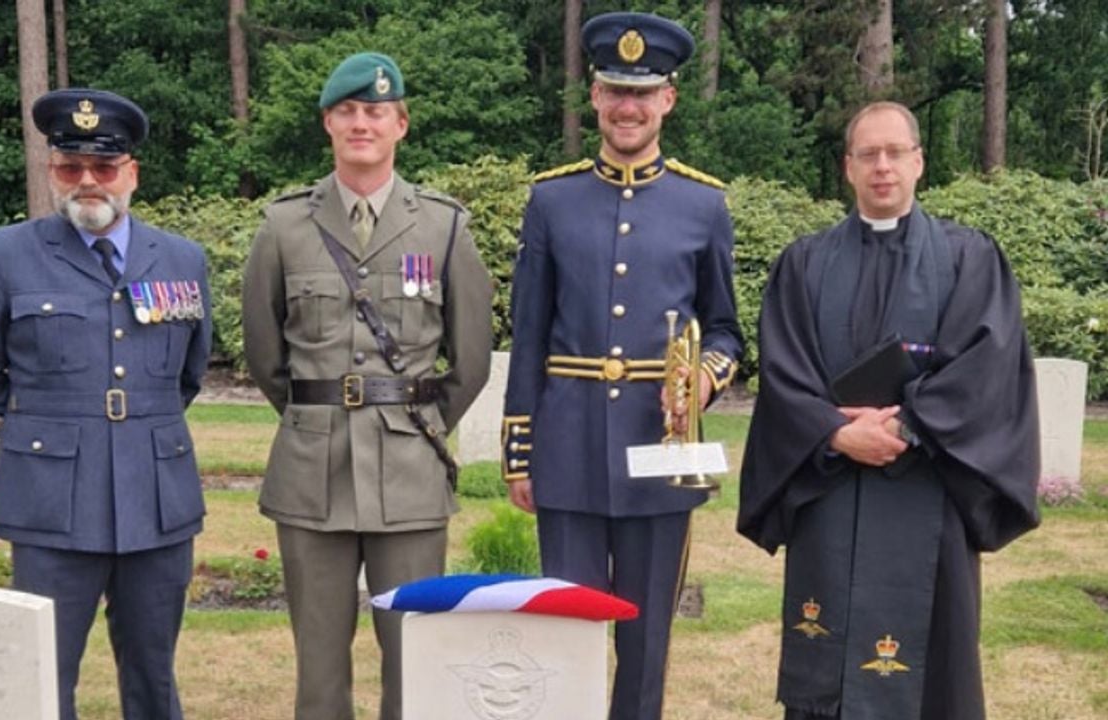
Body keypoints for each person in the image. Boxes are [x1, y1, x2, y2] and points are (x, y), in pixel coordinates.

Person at [738, 101, 1040, 720]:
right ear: (848, 167)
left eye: (895, 152)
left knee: (932, 674)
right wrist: (835, 434)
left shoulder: (969, 258)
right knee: (827, 659)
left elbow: (986, 370)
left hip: (929, 488)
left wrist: (904, 425)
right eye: (867, 155)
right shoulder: (804, 264)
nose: (882, 167)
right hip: (830, 492)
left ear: (919, 162)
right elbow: (783, 372)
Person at [501, 12, 743, 720]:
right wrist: (522, 453)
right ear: (596, 97)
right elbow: (529, 334)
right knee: (566, 634)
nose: (628, 107)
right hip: (569, 448)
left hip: (662, 452)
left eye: (644, 93)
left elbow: (727, 330)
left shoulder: (705, 204)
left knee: (646, 645)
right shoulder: (552, 199)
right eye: (614, 90)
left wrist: (704, 378)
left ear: (669, 98)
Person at [0, 88, 212, 720]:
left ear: (132, 175)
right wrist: (45, 438)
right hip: (50, 502)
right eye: (70, 167)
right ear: (51, 173)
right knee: (42, 673)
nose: (88, 181)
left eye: (104, 167)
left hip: (156, 498)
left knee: (154, 676)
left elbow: (188, 375)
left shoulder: (181, 259)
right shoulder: (4, 255)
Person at [242, 52, 492, 720]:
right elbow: (266, 359)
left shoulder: (444, 227)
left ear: (400, 124)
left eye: (376, 111)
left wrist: (415, 425)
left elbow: (470, 361)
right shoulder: (283, 227)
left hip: (408, 473)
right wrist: (316, 418)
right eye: (348, 111)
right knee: (319, 674)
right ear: (328, 122)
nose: (362, 123)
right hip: (310, 478)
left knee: (414, 663)